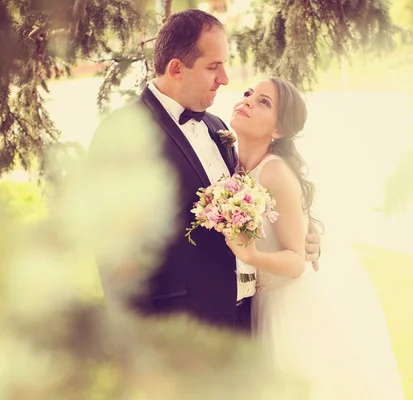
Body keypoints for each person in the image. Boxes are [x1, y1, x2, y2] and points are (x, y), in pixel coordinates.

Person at [87, 9, 320, 332]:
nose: (225, 79)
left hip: (245, 323)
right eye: (214, 67)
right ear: (176, 69)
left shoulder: (218, 128)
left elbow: (252, 211)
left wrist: (300, 237)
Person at [226, 77, 406, 398]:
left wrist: (251, 256)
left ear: (278, 131)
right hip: (260, 300)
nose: (249, 101)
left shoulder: (274, 173)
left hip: (289, 304)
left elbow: (296, 261)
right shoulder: (232, 162)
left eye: (264, 102)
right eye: (249, 93)